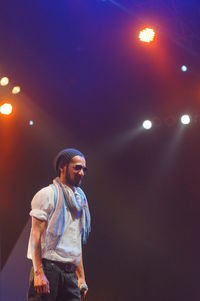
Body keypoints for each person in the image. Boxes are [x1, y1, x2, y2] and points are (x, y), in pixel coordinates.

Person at [27, 148, 91, 301]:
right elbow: (36, 235)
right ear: (63, 166)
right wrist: (38, 273)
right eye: (77, 167)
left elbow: (75, 241)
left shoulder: (79, 200)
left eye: (84, 169)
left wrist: (81, 278)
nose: (81, 172)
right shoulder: (47, 194)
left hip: (70, 274)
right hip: (49, 269)